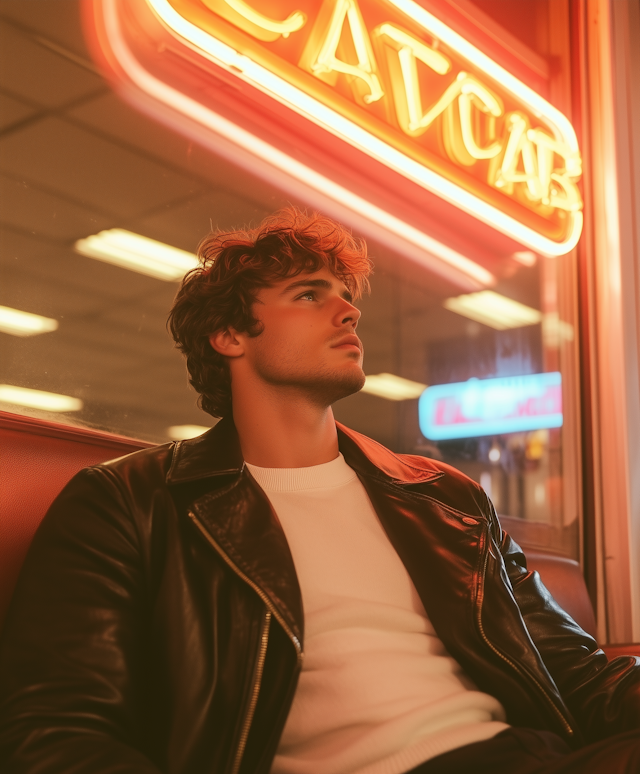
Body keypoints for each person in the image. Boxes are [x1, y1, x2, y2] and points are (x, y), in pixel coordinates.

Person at [0, 208, 638, 774]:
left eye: (345, 293)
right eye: (309, 294)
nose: (349, 309)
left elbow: (580, 676)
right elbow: (56, 730)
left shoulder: (445, 497)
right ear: (230, 336)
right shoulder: (131, 503)